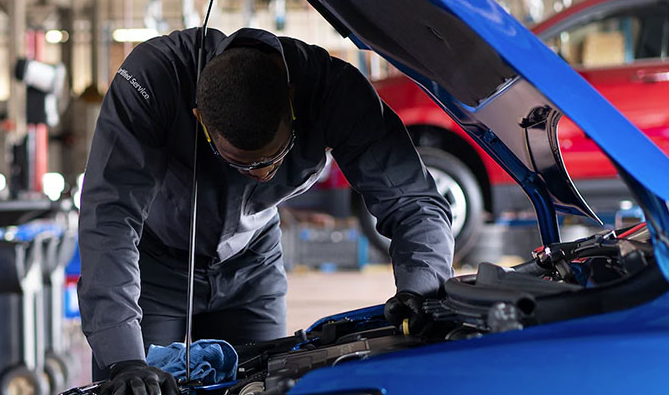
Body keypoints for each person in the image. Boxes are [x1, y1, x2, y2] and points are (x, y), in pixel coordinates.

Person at [78, 27, 454, 395]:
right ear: (200, 119)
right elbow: (109, 216)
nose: (259, 175)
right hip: (153, 266)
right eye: (241, 164)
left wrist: (421, 289)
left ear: (292, 100)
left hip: (252, 268)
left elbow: (412, 200)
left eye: (274, 157)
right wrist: (123, 357)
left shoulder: (333, 91)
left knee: (265, 387)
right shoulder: (154, 78)